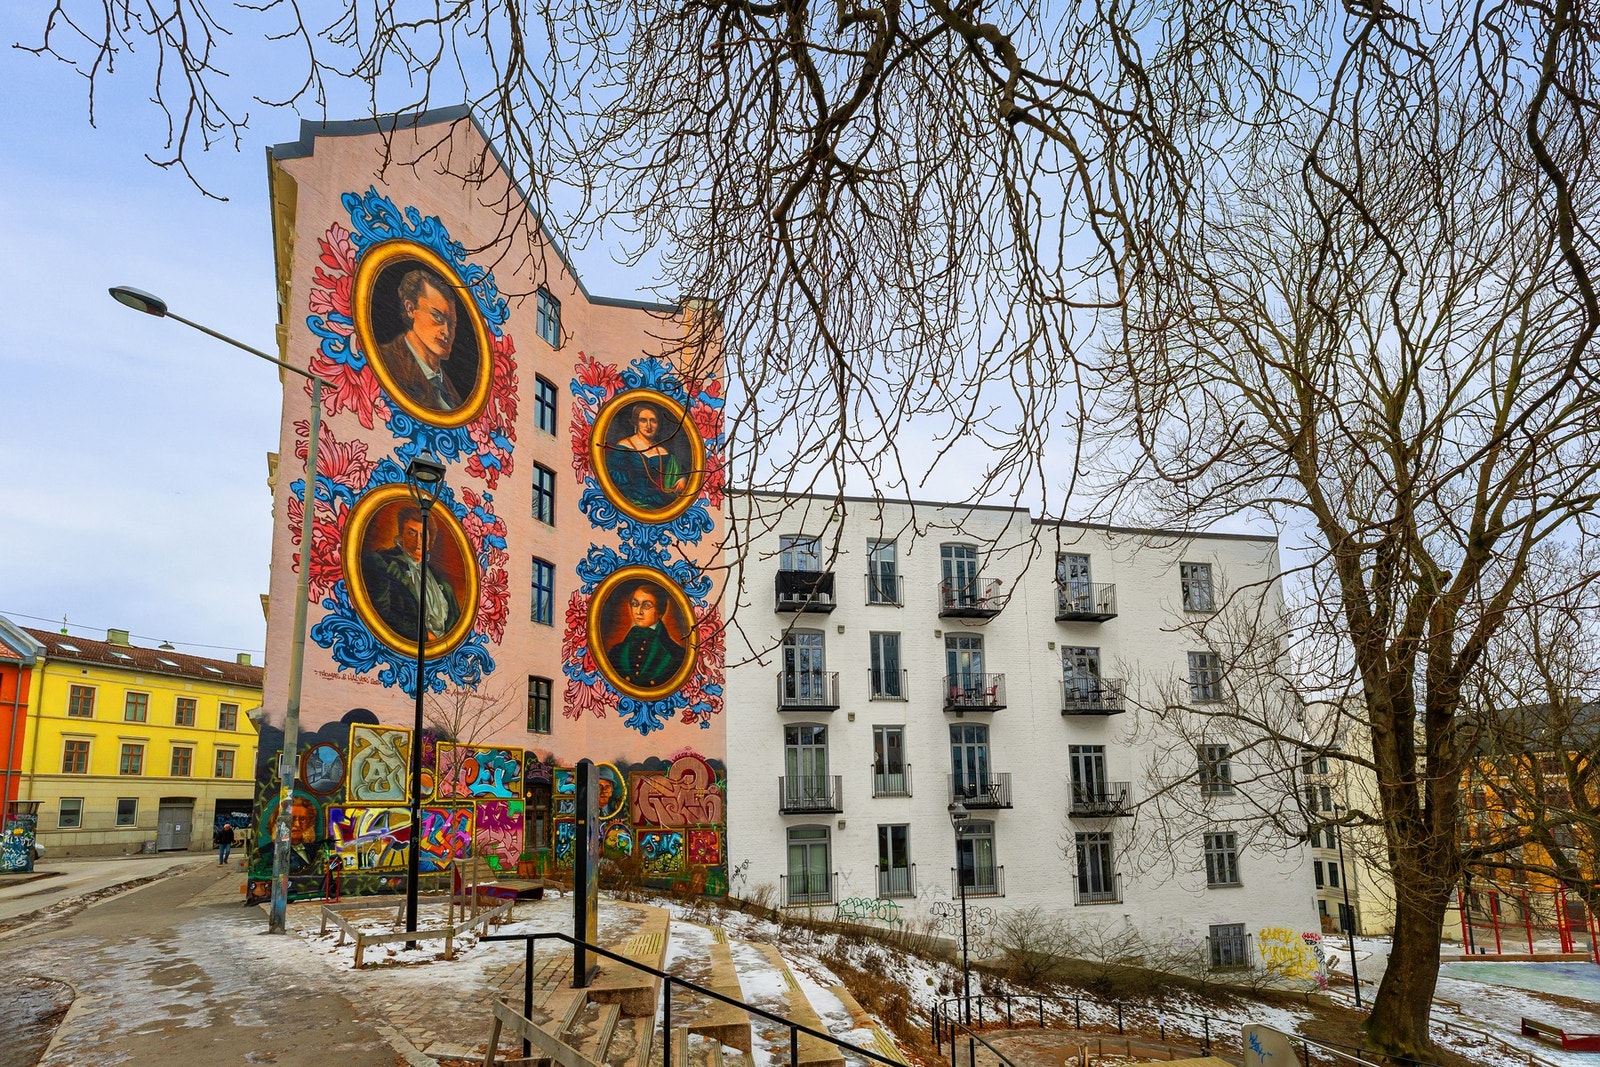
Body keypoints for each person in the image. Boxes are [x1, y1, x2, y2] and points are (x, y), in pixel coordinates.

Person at [365, 507, 462, 641]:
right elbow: (382, 614)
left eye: (423, 535)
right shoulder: (385, 564)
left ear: (429, 540)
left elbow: (455, 620)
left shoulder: (439, 578)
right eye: (412, 533)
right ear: (401, 535)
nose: (418, 542)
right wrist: (424, 636)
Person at [375, 267, 464, 412]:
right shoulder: (385, 360)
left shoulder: (454, 397)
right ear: (410, 309)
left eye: (452, 324)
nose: (446, 332)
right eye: (437, 317)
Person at [606, 581, 687, 689]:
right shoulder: (616, 652)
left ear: (660, 611)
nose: (638, 611)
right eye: (635, 604)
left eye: (646, 605)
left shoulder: (677, 655)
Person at [607, 402, 686, 510]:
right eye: (643, 420)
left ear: (658, 425)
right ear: (636, 423)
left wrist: (683, 479)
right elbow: (613, 477)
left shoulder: (664, 452)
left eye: (653, 421)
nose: (648, 426)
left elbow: (677, 473)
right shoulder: (623, 446)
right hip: (629, 499)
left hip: (658, 501)